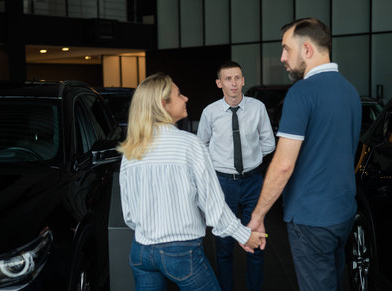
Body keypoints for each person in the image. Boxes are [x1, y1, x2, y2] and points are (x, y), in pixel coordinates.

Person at [118, 72, 267, 291]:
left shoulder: (130, 150)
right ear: (163, 104)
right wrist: (245, 236)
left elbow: (129, 215)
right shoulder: (190, 145)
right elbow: (214, 207)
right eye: (179, 95)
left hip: (141, 252)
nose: (186, 98)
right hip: (181, 253)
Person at [246, 18, 362, 291]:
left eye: (287, 49)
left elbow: (283, 165)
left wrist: (258, 215)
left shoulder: (301, 93)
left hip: (310, 220)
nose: (282, 58)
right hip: (343, 214)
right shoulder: (351, 91)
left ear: (307, 49)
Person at [197, 61, 275, 291]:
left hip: (253, 182)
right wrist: (217, 167)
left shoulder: (257, 108)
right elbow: (202, 146)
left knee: (258, 241)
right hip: (222, 184)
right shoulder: (210, 112)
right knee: (223, 246)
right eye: (228, 79)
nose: (233, 83)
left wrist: (251, 159)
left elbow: (269, 143)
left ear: (243, 80)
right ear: (219, 83)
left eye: (237, 78)